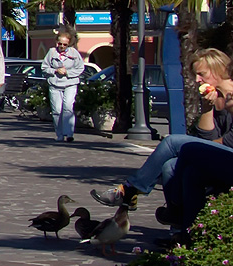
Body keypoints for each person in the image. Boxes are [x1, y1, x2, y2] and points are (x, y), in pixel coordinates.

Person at [93, 49, 233, 209]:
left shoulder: (231, 96)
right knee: (169, 166)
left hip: (228, 158)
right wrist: (207, 109)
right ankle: (177, 222)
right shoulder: (213, 97)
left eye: (202, 74)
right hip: (217, 157)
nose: (197, 80)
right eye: (195, 75)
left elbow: (225, 143)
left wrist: (191, 148)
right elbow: (205, 140)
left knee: (172, 142)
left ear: (218, 69)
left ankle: (130, 189)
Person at [41, 30, 87, 143]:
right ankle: (60, 134)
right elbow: (44, 67)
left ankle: (69, 133)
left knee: (68, 107)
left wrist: (67, 72)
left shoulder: (74, 53)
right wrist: (55, 70)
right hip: (55, 84)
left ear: (69, 44)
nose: (62, 46)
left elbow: (80, 68)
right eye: (60, 43)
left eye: (65, 44)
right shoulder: (52, 52)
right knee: (57, 110)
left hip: (70, 83)